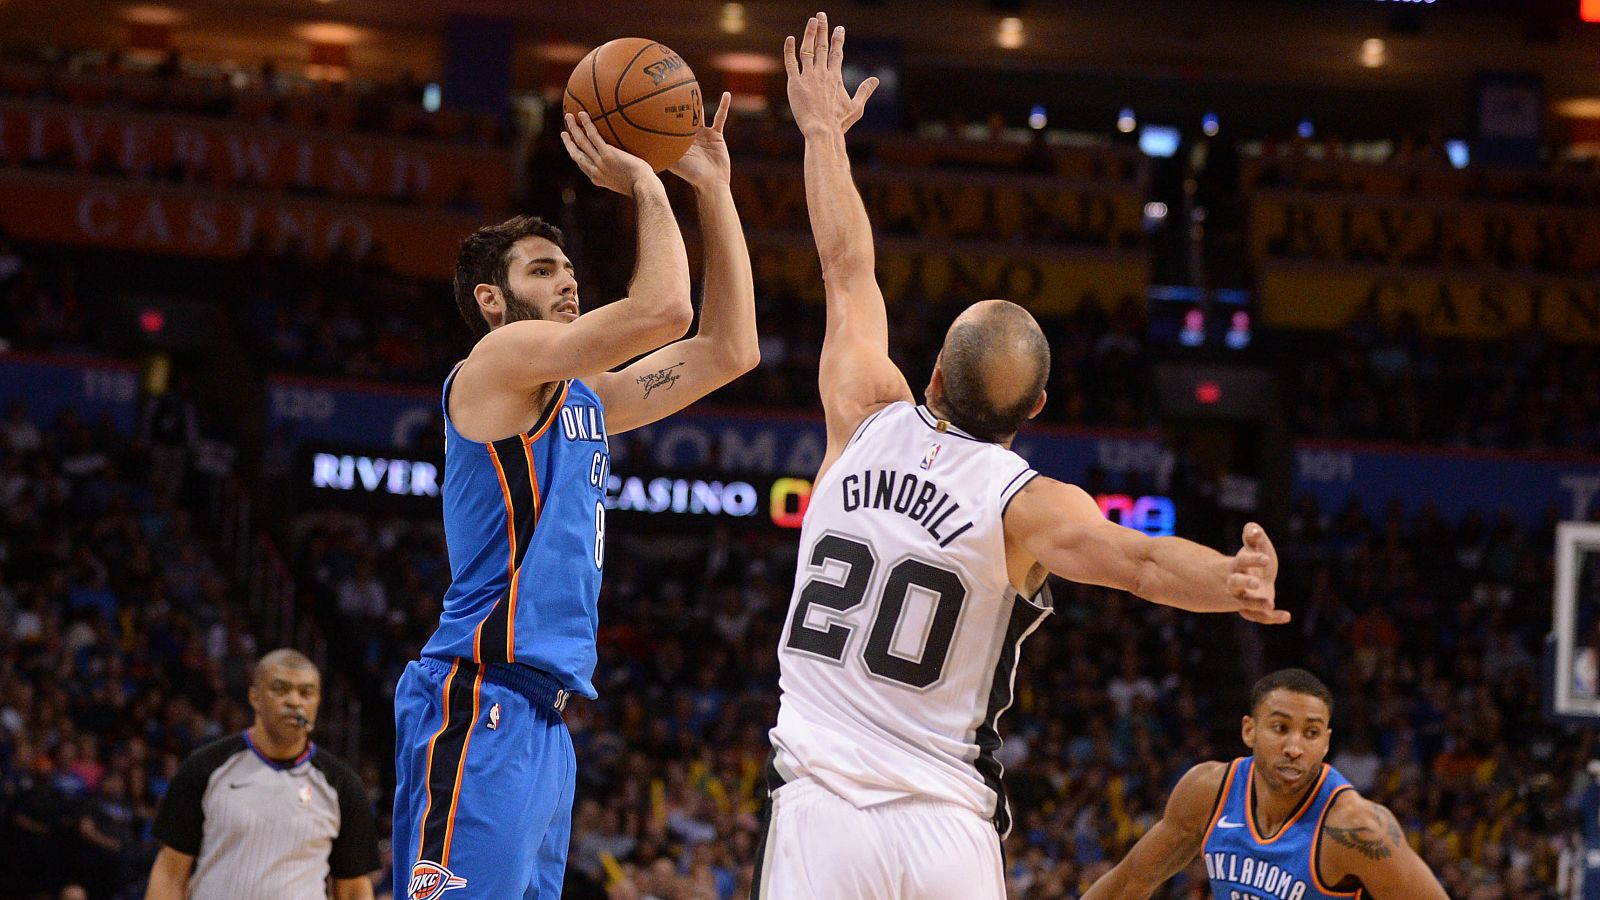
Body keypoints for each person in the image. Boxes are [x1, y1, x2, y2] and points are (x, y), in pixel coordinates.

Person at [756, 13, 1288, 899]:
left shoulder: (862, 410)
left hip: (818, 808)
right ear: (1037, 407)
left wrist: (820, 133)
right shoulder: (1025, 503)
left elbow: (846, 265)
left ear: (929, 373)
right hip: (945, 827)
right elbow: (1146, 564)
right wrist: (1234, 580)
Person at [390, 92, 758, 898]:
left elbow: (730, 349)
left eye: (568, 268)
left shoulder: (584, 397)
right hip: (478, 699)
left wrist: (713, 187)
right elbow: (665, 307)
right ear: (492, 299)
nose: (567, 281)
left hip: (544, 722)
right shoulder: (498, 360)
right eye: (541, 269)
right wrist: (647, 182)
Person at [1081, 668, 1449, 899]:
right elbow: (1131, 882)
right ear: (1249, 730)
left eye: (1311, 733)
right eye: (1280, 727)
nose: (1294, 748)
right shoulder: (1208, 791)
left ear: (1326, 743)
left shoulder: (1357, 828)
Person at [145, 649, 380, 900]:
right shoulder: (205, 768)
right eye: (280, 689)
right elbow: (170, 873)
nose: (294, 701)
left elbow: (354, 889)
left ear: (317, 702)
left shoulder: (343, 786)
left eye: (306, 693)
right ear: (254, 697)